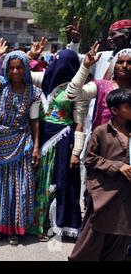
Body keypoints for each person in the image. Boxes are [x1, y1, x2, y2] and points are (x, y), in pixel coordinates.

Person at [0, 45, 41, 246]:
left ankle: (14, 229)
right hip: (0, 141)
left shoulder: (34, 92)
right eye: (11, 68)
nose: (15, 71)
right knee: (1, 186)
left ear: (26, 69)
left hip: (23, 143)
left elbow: (35, 121)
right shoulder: (1, 84)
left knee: (20, 186)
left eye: (19, 68)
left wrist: (36, 147)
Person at [28, 49, 88, 240]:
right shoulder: (42, 79)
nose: (58, 67)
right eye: (56, 61)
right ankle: (38, 222)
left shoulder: (78, 90)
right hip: (41, 137)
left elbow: (80, 122)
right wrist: (30, 56)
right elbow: (19, 70)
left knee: (61, 182)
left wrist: (76, 153)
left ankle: (57, 224)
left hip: (63, 140)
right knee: (38, 181)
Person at [69, 88, 131, 261]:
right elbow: (90, 159)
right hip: (105, 195)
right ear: (114, 110)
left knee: (120, 240)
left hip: (127, 197)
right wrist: (117, 166)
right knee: (91, 240)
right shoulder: (101, 132)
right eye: (128, 106)